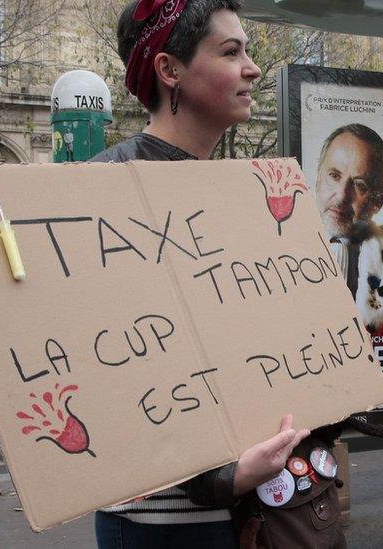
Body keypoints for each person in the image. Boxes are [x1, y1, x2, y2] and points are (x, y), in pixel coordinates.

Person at [88, 1, 309, 546]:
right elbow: (119, 365)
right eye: (231, 52)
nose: (253, 68)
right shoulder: (108, 190)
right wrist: (224, 478)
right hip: (161, 524)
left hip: (243, 507)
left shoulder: (240, 191)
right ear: (169, 71)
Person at [314, 124, 383, 291]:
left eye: (359, 185)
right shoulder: (278, 248)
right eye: (334, 176)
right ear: (318, 179)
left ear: (378, 200)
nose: (342, 195)